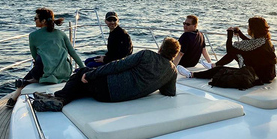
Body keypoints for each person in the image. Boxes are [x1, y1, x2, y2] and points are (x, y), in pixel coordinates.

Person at [32, 37, 181, 112]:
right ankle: (57, 98)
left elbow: (117, 65)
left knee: (82, 73)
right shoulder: (172, 71)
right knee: (84, 86)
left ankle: (59, 98)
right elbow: (170, 92)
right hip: (117, 97)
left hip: (108, 88)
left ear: (161, 48)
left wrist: (91, 74)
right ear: (174, 55)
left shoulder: (147, 55)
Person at [7, 8, 85, 108]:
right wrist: (83, 68)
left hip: (45, 71)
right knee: (42, 65)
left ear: (43, 21)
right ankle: (32, 81)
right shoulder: (61, 34)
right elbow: (72, 52)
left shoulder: (33, 36)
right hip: (64, 71)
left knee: (38, 65)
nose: (34, 20)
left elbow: (34, 56)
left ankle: (15, 97)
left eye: (35, 18)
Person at [177, 16, 277, 84]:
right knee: (234, 54)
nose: (248, 28)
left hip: (256, 76)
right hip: (268, 75)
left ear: (253, 29)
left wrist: (229, 35)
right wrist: (240, 34)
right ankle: (213, 65)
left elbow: (230, 50)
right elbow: (251, 43)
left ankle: (192, 74)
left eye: (249, 27)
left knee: (221, 70)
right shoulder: (265, 41)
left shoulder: (254, 43)